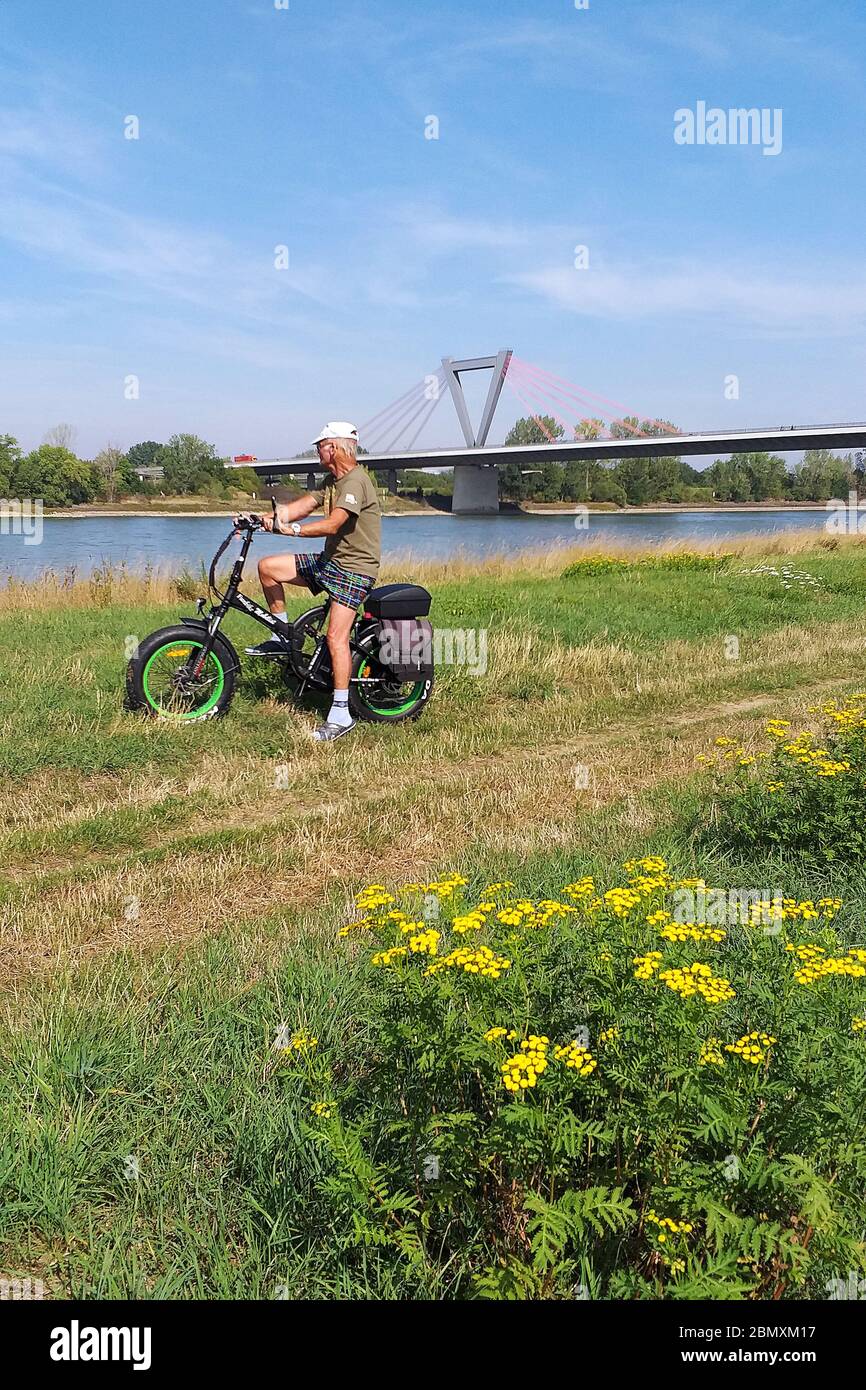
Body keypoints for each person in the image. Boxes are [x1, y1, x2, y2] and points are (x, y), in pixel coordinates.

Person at [243, 421, 381, 742]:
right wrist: (267, 519)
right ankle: (282, 637)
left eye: (319, 445)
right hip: (329, 563)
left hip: (354, 570)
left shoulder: (356, 482)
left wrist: (291, 531)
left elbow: (334, 524)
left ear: (333, 448)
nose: (316, 450)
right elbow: (303, 507)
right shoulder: (332, 480)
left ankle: (340, 714)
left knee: (336, 638)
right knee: (268, 568)